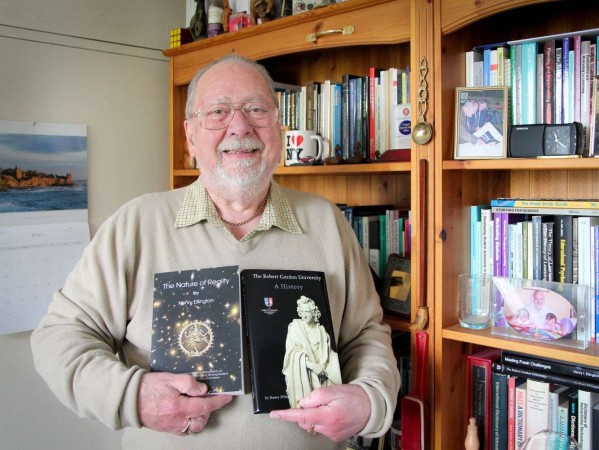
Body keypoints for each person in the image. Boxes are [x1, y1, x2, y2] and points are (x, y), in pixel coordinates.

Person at [30, 54, 400, 449]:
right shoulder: (136, 225)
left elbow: (365, 335)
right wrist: (132, 396)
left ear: (278, 126)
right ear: (190, 136)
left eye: (257, 109)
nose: (239, 126)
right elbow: (61, 337)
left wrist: (369, 399)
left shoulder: (327, 222)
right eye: (218, 112)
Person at [282, 296, 342, 408]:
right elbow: (292, 353)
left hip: (324, 372)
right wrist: (313, 366)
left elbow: (329, 354)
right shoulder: (295, 327)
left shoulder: (321, 331)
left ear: (314, 312)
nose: (304, 315)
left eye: (308, 312)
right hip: (306, 372)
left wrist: (327, 368)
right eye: (302, 311)